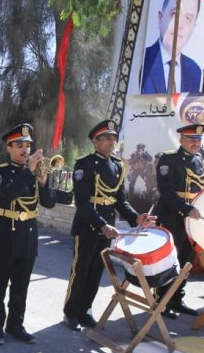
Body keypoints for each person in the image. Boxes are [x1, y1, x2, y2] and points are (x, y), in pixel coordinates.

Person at [63, 120, 154, 331]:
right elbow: (82, 202)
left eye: (114, 138)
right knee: (81, 270)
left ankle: (86, 310)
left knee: (96, 271)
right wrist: (102, 224)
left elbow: (119, 200)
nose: (112, 142)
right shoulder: (85, 165)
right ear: (95, 141)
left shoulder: (117, 165)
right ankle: (71, 312)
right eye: (106, 138)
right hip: (88, 226)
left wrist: (136, 218)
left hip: (107, 229)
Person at [0, 123, 56, 345]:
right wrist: (29, 170)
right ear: (9, 147)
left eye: (27, 145)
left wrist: (43, 181)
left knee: (21, 284)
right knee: (0, 284)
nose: (25, 150)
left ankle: (16, 325)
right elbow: (9, 193)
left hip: (28, 234)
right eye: (19, 146)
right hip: (7, 232)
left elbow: (49, 202)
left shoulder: (34, 172)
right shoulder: (1, 171)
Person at [151, 123, 204, 318]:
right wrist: (187, 209)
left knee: (185, 260)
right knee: (168, 261)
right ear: (181, 140)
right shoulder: (169, 159)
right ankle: (161, 301)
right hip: (171, 216)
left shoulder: (198, 160)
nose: (196, 143)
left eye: (199, 140)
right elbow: (166, 192)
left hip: (191, 219)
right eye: (192, 139)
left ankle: (176, 298)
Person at [141, 0, 202, 94]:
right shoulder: (141, 60)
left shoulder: (194, 71)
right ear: (160, 17)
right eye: (174, 14)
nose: (180, 25)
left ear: (193, 27)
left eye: (188, 18)